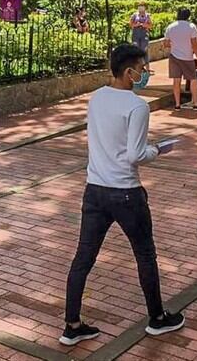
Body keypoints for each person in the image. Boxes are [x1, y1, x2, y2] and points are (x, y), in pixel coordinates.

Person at [60, 43, 184, 346]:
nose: (144, 74)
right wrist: (157, 149)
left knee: (83, 258)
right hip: (126, 192)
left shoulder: (97, 98)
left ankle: (72, 324)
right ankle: (157, 318)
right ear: (129, 72)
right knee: (145, 254)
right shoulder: (136, 105)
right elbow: (135, 154)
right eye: (142, 69)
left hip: (95, 190)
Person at [163, 8, 197, 110]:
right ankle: (196, 103)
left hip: (174, 56)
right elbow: (194, 44)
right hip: (187, 57)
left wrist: (174, 45)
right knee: (193, 79)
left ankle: (177, 104)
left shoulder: (170, 27)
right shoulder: (191, 27)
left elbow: (166, 43)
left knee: (176, 80)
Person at [130, 2, 153, 70]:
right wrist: (136, 25)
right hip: (136, 34)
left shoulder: (147, 15)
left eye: (142, 6)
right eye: (139, 6)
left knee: (144, 50)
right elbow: (130, 24)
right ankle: (136, 66)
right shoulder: (134, 15)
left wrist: (146, 25)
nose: (141, 7)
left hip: (144, 34)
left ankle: (146, 67)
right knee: (135, 49)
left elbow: (151, 25)